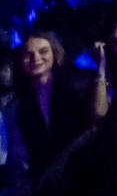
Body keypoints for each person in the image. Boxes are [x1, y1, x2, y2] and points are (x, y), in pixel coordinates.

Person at [12, 32, 105, 180]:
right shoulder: (22, 102)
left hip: (88, 166)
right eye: (28, 54)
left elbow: (98, 120)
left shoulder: (77, 82)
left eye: (43, 51)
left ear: (54, 54)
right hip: (51, 179)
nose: (36, 58)